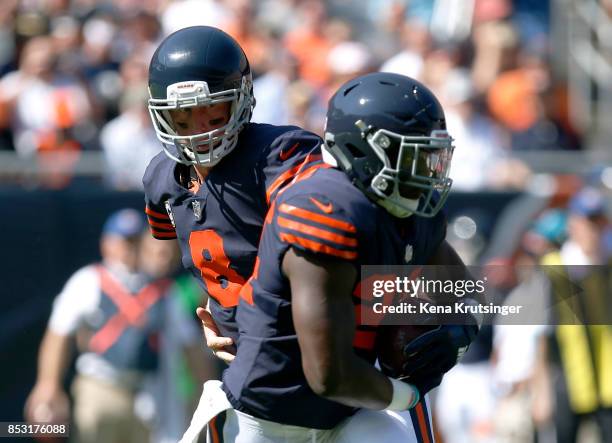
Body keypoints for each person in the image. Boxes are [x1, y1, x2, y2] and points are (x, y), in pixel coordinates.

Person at [183, 73, 480, 442]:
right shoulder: (322, 209)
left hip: (353, 409)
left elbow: (462, 292)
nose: (428, 172)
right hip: (269, 418)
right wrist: (410, 394)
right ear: (366, 151)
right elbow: (329, 374)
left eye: (432, 157)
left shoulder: (414, 213)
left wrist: (457, 327)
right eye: (415, 156)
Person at [142, 25, 323, 363]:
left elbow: (341, 250)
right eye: (182, 118)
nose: (199, 131)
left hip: (324, 349)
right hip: (252, 366)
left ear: (241, 100)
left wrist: (417, 309)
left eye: (211, 113)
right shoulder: (161, 179)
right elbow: (209, 260)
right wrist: (220, 308)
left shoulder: (282, 155)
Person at [24, 209, 173, 443]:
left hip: (147, 394)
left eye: (135, 241)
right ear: (107, 244)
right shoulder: (89, 280)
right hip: (100, 386)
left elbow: (188, 347)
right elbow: (58, 332)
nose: (130, 248)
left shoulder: (160, 287)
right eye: (124, 241)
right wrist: (48, 385)